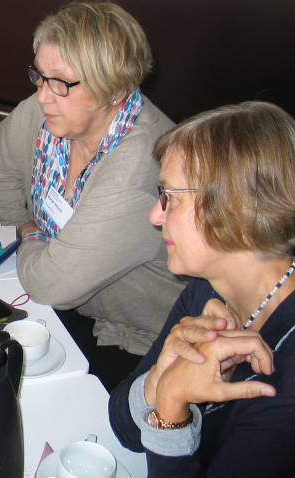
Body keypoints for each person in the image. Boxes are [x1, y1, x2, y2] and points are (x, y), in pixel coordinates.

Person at [0, 0, 185, 390]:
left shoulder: (141, 167)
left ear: (114, 90)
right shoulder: (50, 111)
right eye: (39, 75)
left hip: (141, 338)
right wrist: (18, 225)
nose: (42, 95)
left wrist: (31, 238)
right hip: (66, 301)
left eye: (61, 82)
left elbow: (50, 285)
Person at [109, 101, 295, 476]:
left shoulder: (286, 374)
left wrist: (172, 406)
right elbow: (124, 427)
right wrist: (159, 379)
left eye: (171, 199)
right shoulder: (206, 293)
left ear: (236, 209)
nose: (155, 216)